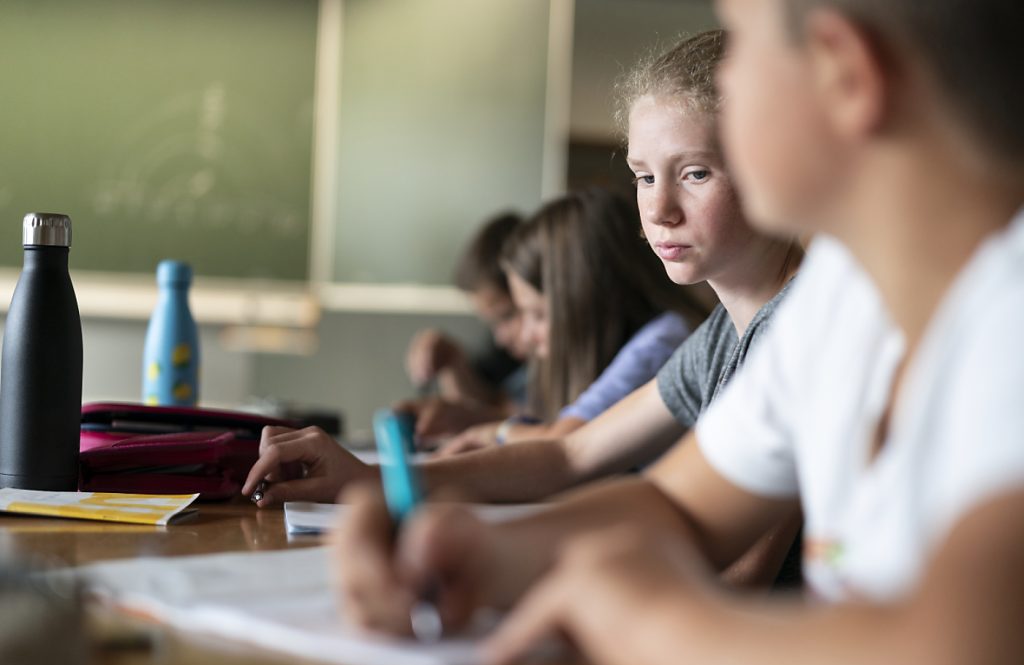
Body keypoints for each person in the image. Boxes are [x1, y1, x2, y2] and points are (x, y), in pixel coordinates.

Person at [337, 0, 1024, 665]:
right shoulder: (844, 298)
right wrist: (475, 552)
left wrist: (653, 621)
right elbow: (678, 508)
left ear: (843, 71)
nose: (725, 72)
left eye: (742, 49)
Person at [247, 30, 804, 586]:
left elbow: (741, 576)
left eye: (696, 173)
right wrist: (370, 478)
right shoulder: (721, 337)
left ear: (771, 166)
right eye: (644, 176)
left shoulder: (803, 331)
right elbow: (570, 455)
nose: (658, 210)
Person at [439, 187, 708, 453]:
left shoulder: (662, 341)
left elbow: (564, 445)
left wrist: (494, 432)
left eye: (539, 315)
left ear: (588, 300)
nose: (525, 335)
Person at [398, 212, 529, 444]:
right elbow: (487, 400)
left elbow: (545, 424)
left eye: (507, 316)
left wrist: (473, 420)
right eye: (491, 323)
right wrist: (452, 362)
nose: (500, 338)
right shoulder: (503, 350)